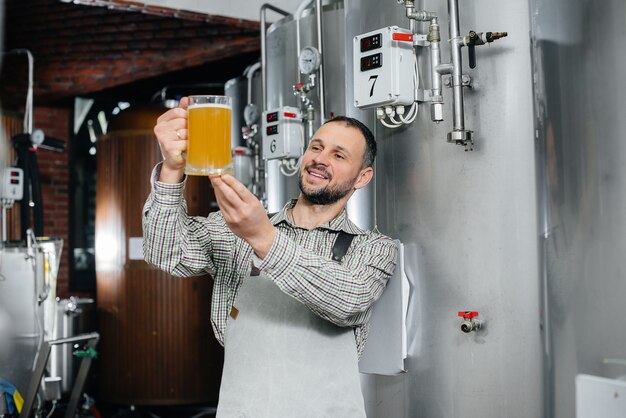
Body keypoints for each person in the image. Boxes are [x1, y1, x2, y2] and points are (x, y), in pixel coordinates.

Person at [143, 97, 398, 417]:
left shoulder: (373, 249)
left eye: (339, 155)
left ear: (362, 177)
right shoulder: (234, 230)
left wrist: (263, 238)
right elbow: (164, 253)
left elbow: (347, 301)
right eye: (316, 147)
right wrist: (171, 169)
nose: (321, 159)